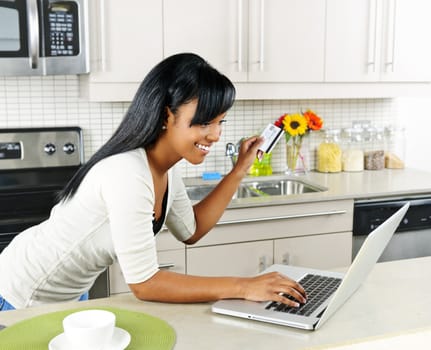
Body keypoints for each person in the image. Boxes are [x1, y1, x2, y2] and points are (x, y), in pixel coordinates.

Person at [0, 53, 306, 311]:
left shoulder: (165, 168)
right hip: (21, 291)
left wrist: (239, 170)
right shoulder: (127, 172)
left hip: (68, 291)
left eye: (220, 122)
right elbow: (145, 283)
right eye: (203, 122)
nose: (215, 135)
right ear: (166, 115)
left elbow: (191, 230)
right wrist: (244, 286)